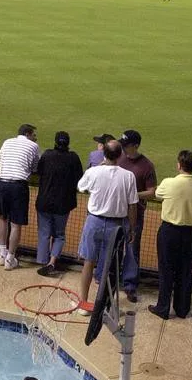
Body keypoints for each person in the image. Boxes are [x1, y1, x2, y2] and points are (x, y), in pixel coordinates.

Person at [76, 140, 139, 309]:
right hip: (117, 226)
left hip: (94, 222)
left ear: (104, 154)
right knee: (108, 266)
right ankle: (102, 305)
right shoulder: (128, 176)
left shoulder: (94, 172)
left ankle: (84, 303)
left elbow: (81, 187)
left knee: (88, 262)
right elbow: (132, 205)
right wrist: (132, 228)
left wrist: (100, 166)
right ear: (120, 155)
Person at [149, 150, 192, 320]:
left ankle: (163, 308)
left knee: (166, 269)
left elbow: (158, 194)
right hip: (191, 233)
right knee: (186, 270)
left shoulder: (169, 183)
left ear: (179, 165)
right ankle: (182, 309)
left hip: (169, 231)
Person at [35, 131, 83, 277]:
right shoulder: (73, 158)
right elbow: (80, 178)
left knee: (44, 233)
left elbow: (39, 172)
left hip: (44, 201)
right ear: (67, 143)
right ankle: (52, 262)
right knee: (59, 235)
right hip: (63, 204)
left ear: (55, 142)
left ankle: (43, 262)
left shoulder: (47, 155)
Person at [0, 124, 40, 270]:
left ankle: (2, 254)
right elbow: (34, 168)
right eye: (33, 134)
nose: (35, 137)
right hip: (18, 187)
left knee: (2, 218)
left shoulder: (7, 142)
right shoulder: (33, 146)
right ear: (27, 133)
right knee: (15, 224)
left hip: (0, 184)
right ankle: (10, 259)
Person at [117, 130, 157, 303]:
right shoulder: (119, 159)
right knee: (114, 247)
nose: (124, 149)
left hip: (135, 215)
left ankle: (130, 285)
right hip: (116, 211)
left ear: (136, 146)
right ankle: (111, 279)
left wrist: (133, 194)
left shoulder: (147, 166)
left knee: (132, 250)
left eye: (127, 146)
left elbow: (152, 192)